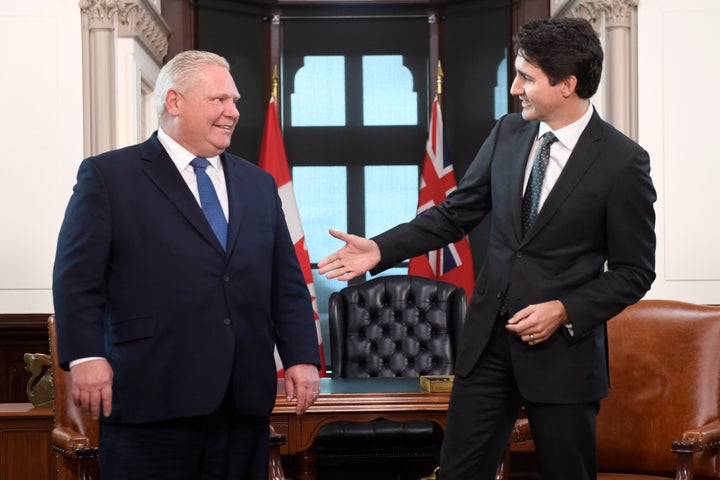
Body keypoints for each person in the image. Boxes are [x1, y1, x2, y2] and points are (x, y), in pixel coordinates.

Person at [318, 18, 656, 480]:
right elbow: (454, 214)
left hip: (562, 356)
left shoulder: (623, 162)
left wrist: (564, 308)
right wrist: (380, 248)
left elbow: (634, 271)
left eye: (527, 77)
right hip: (486, 348)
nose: (515, 87)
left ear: (567, 84)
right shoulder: (507, 133)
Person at [52, 50, 321, 480]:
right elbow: (76, 279)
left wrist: (302, 357)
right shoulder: (108, 176)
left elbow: (285, 282)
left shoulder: (258, 183)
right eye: (219, 100)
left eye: (234, 101)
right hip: (150, 396)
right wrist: (85, 355)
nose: (232, 112)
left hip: (242, 401)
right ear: (174, 102)